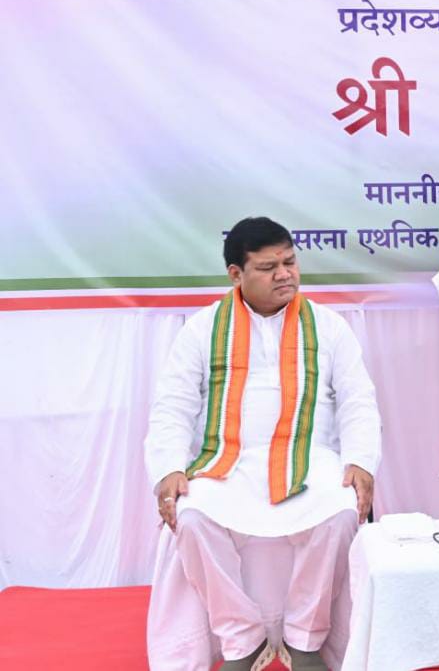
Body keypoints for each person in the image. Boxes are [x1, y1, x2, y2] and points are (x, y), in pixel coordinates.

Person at [145, 217, 381, 670]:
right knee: (191, 517)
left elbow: (358, 401)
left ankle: (304, 638)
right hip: (228, 463)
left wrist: (360, 460)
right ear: (236, 274)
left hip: (309, 460)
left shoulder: (329, 326)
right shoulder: (202, 329)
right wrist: (169, 468)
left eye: (290, 262)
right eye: (269, 267)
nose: (285, 274)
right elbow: (172, 405)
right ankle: (243, 639)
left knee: (341, 511)